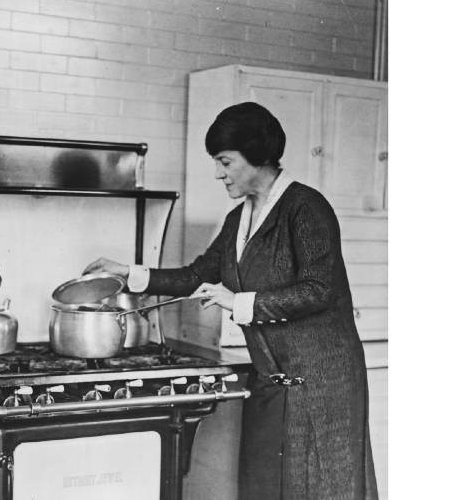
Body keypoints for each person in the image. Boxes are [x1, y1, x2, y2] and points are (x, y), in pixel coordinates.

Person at [84, 102, 378, 500]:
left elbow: (318, 290)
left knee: (316, 488)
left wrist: (239, 302)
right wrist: (127, 271)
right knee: (262, 486)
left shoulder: (306, 208)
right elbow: (195, 275)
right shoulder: (239, 218)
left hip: (321, 385)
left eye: (225, 161)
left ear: (256, 156)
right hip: (272, 380)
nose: (218, 173)